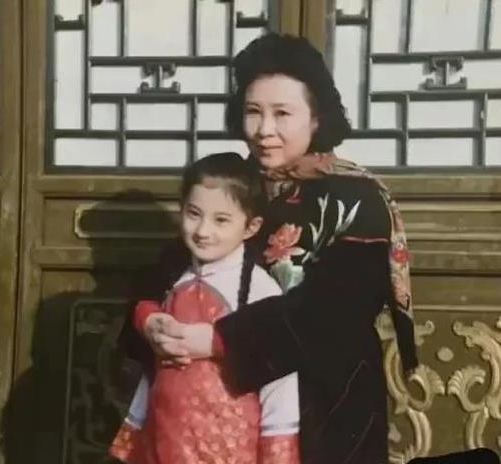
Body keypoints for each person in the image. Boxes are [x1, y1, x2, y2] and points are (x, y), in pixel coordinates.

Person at [119, 33, 418, 464]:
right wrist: (152, 323)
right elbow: (166, 275)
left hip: (324, 402)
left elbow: (337, 313)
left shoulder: (358, 199)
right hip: (211, 416)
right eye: (253, 112)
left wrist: (218, 340)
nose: (264, 130)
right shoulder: (233, 186)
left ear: (316, 117)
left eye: (282, 113)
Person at [110, 152, 301, 463]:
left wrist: (278, 454)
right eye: (194, 214)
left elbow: (279, 382)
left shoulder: (260, 290)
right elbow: (154, 368)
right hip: (166, 436)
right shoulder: (174, 278)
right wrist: (135, 428)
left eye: (221, 220)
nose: (202, 231)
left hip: (231, 447)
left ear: (251, 227)